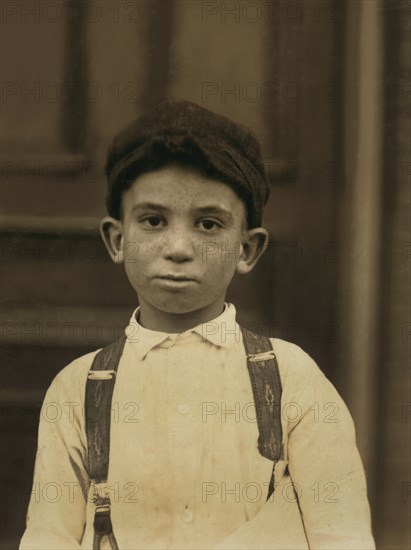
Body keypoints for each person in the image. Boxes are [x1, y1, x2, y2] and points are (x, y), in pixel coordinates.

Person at [20, 99, 375, 550]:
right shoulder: (79, 388)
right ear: (116, 239)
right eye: (153, 221)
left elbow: (343, 537)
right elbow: (48, 537)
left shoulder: (291, 379)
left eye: (208, 225)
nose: (179, 248)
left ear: (248, 249)